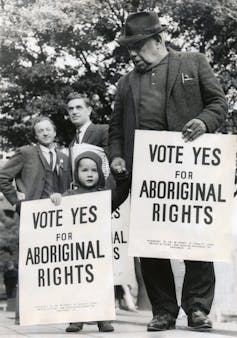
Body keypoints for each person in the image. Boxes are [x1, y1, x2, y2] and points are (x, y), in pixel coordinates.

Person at [108, 11, 228, 331]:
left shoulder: (194, 62)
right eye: (128, 49)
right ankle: (163, 310)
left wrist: (203, 122)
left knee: (197, 241)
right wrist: (117, 158)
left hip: (189, 173)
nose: (132, 54)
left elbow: (219, 105)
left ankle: (198, 308)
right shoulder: (125, 83)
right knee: (150, 245)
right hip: (146, 176)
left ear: (159, 40)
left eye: (138, 46)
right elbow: (116, 130)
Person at [0, 116, 71, 323]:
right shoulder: (26, 153)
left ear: (55, 132)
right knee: (31, 262)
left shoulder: (64, 158)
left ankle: (56, 311)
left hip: (59, 218)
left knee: (57, 263)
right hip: (33, 217)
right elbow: (3, 177)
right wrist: (16, 202)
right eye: (41, 131)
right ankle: (26, 314)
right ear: (36, 135)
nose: (45, 133)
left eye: (48, 129)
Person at [51, 151, 128, 333]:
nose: (90, 173)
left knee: (102, 283)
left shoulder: (105, 196)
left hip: (99, 250)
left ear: (100, 173)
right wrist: (56, 199)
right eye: (84, 170)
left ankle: (103, 318)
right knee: (76, 284)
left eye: (94, 170)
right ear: (76, 173)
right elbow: (56, 212)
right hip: (76, 250)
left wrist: (123, 178)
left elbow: (122, 194)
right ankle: (76, 318)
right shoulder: (69, 195)